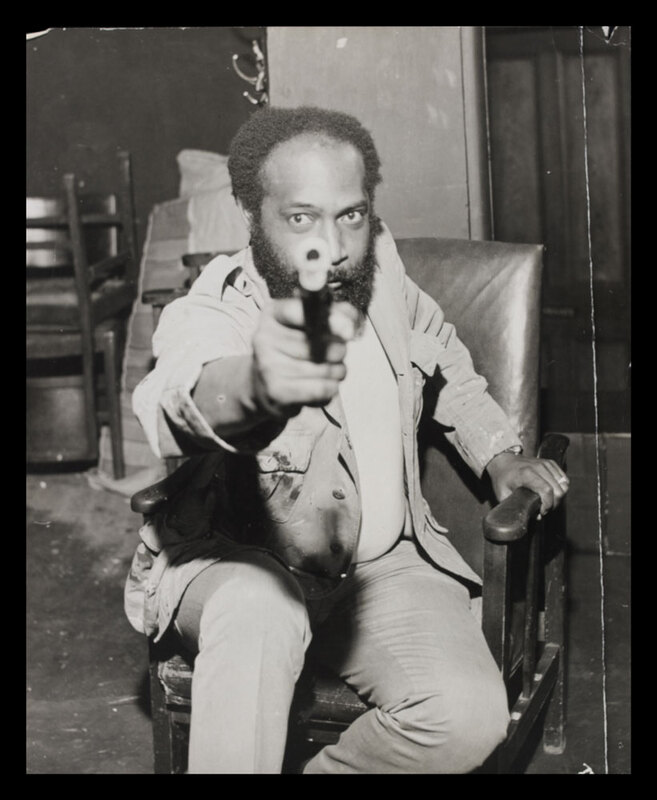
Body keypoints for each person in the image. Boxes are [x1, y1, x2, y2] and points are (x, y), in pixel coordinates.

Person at [125, 105, 569, 774]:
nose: (332, 246)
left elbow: (441, 351)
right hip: (241, 567)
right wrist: (258, 385)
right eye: (301, 218)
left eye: (351, 215)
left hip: (382, 568)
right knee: (257, 609)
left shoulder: (380, 269)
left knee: (465, 718)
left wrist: (498, 453)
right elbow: (175, 397)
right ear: (252, 213)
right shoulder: (220, 303)